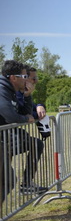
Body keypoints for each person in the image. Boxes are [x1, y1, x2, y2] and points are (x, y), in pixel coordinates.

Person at [0, 60, 47, 195]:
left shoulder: (12, 90)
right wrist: (26, 119)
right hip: (3, 140)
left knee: (35, 143)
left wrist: (27, 96)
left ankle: (27, 184)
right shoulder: (2, 90)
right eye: (25, 77)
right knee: (7, 180)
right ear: (14, 78)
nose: (30, 81)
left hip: (5, 140)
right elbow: (11, 116)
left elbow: (22, 112)